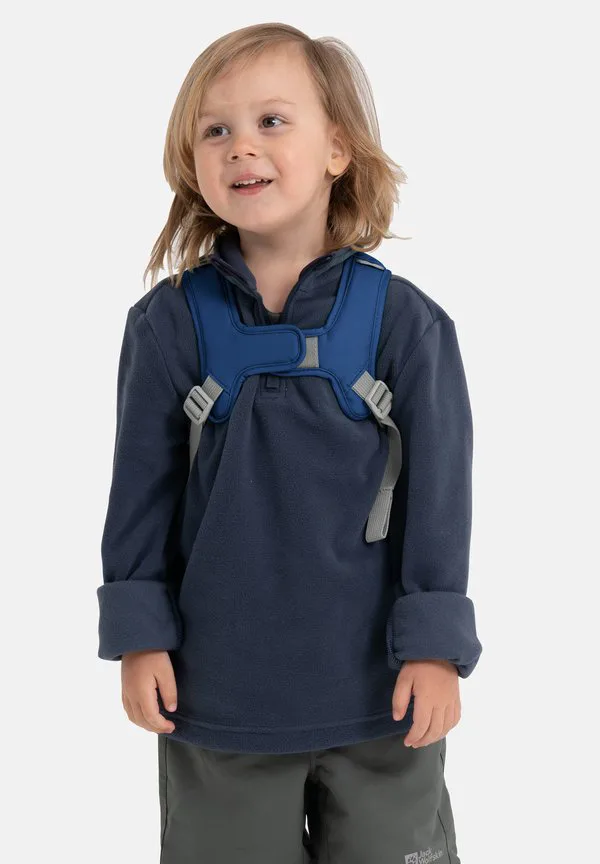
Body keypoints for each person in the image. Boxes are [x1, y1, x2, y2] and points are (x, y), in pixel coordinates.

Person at [96, 21, 483, 864]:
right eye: (216, 129)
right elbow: (140, 491)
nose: (242, 146)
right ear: (192, 162)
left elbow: (441, 496)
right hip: (217, 700)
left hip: (383, 697)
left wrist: (436, 647)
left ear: (337, 148)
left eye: (272, 120)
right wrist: (137, 632)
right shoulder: (167, 325)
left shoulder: (406, 324)